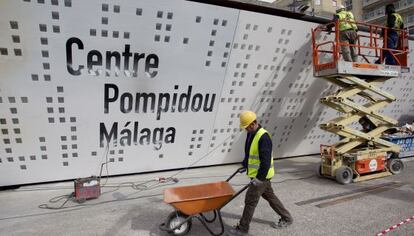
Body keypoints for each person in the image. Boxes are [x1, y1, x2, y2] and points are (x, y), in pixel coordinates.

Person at [228, 111, 293, 236]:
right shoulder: (251, 134)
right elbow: (250, 153)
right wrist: (245, 165)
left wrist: (259, 178)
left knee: (250, 201)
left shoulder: (263, 137)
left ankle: (242, 229)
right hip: (258, 175)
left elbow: (266, 161)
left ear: (253, 123)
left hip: (261, 177)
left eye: (246, 126)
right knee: (271, 197)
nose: (245, 129)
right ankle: (287, 218)